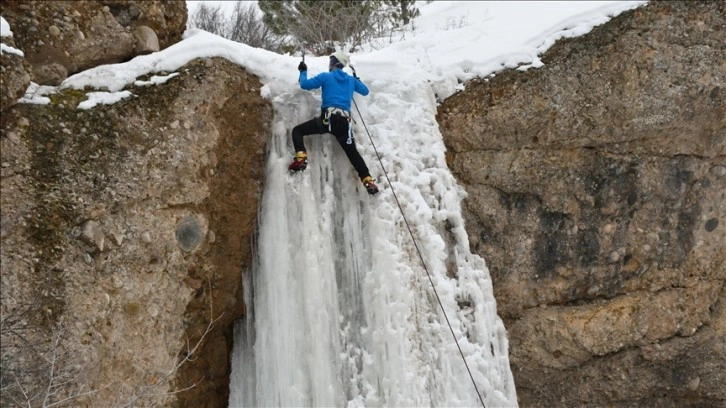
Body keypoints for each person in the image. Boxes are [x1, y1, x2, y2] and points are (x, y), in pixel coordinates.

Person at [288, 51, 379, 195]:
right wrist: (357, 79)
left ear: (333, 63)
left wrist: (303, 71)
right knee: (353, 153)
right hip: (344, 124)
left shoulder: (326, 76)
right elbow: (365, 91)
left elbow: (305, 84)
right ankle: (368, 180)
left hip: (327, 120)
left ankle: (301, 158)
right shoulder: (351, 80)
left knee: (297, 131)